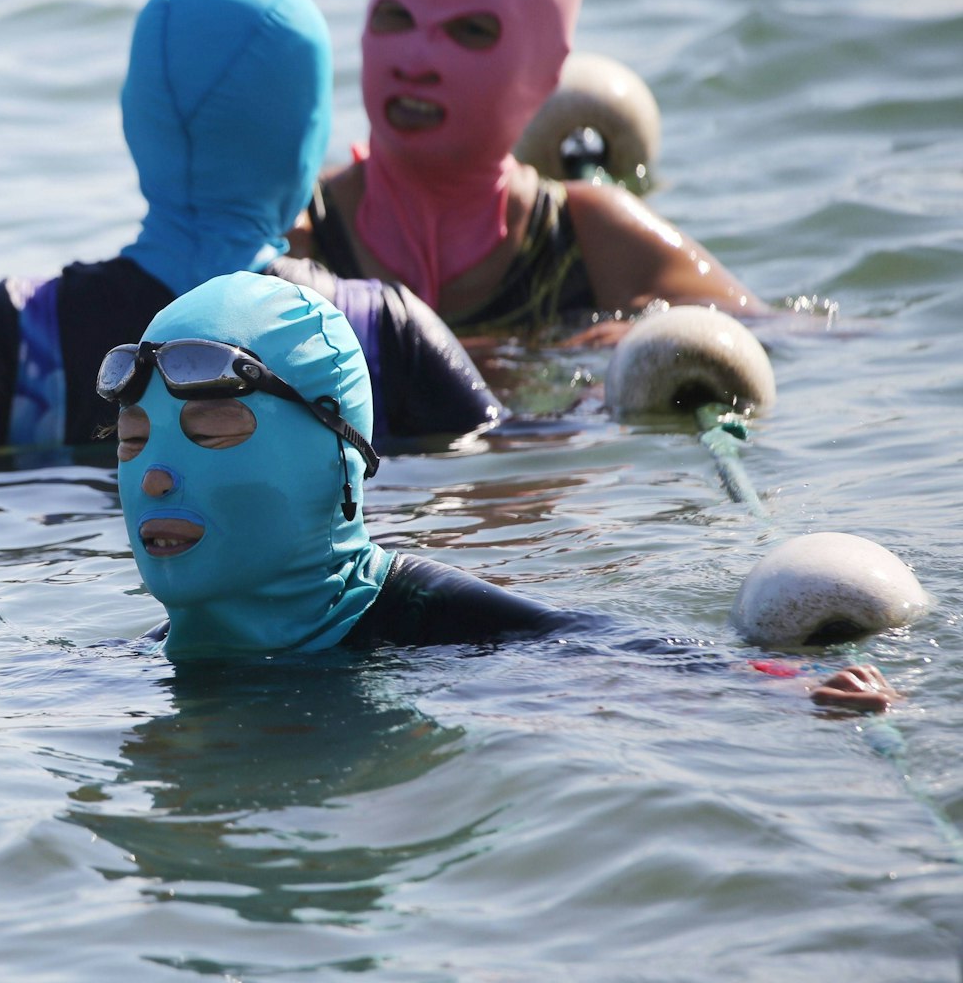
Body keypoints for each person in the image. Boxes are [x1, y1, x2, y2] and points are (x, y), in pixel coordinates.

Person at [0, 0, 501, 456]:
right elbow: (514, 459)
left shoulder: (20, 334)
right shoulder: (381, 332)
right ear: (304, 140)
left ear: (135, 122)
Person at [104, 270, 898, 711]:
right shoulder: (133, 666)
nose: (157, 473)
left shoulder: (424, 620)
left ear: (337, 462)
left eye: (211, 432)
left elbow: (606, 653)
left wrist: (786, 689)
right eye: (133, 439)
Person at [297, 0, 763, 342]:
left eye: (471, 30)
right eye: (394, 17)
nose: (415, 62)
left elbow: (779, 336)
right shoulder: (297, 233)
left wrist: (648, 341)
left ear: (545, 69)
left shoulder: (590, 239)